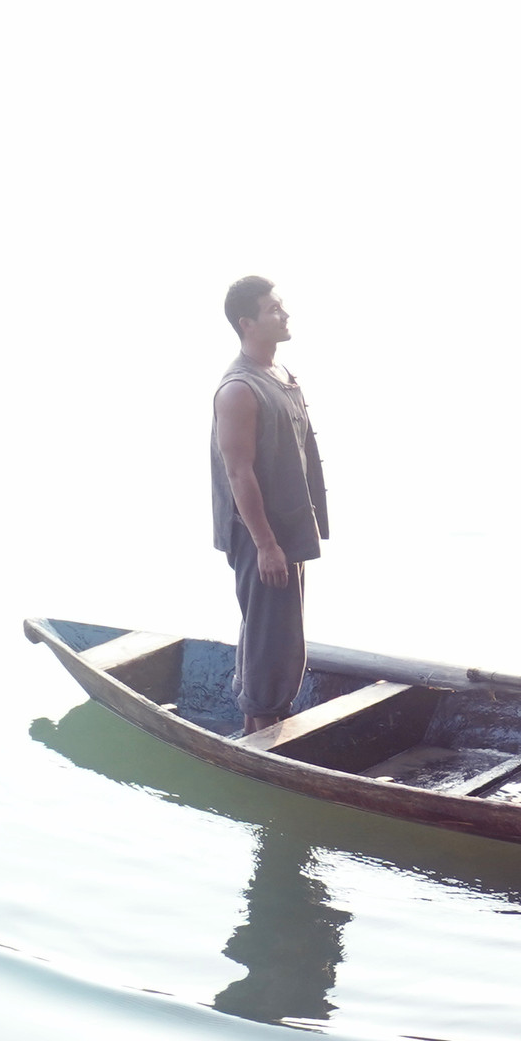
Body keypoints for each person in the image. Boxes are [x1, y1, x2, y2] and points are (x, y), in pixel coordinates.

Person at [210, 275, 331, 732]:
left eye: (282, 307)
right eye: (273, 309)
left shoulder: (280, 376)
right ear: (247, 323)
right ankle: (256, 733)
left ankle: (270, 718)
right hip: (261, 535)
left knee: (281, 634)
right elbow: (238, 472)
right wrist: (265, 545)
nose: (284, 314)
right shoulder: (239, 389)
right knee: (265, 633)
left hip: (288, 528)